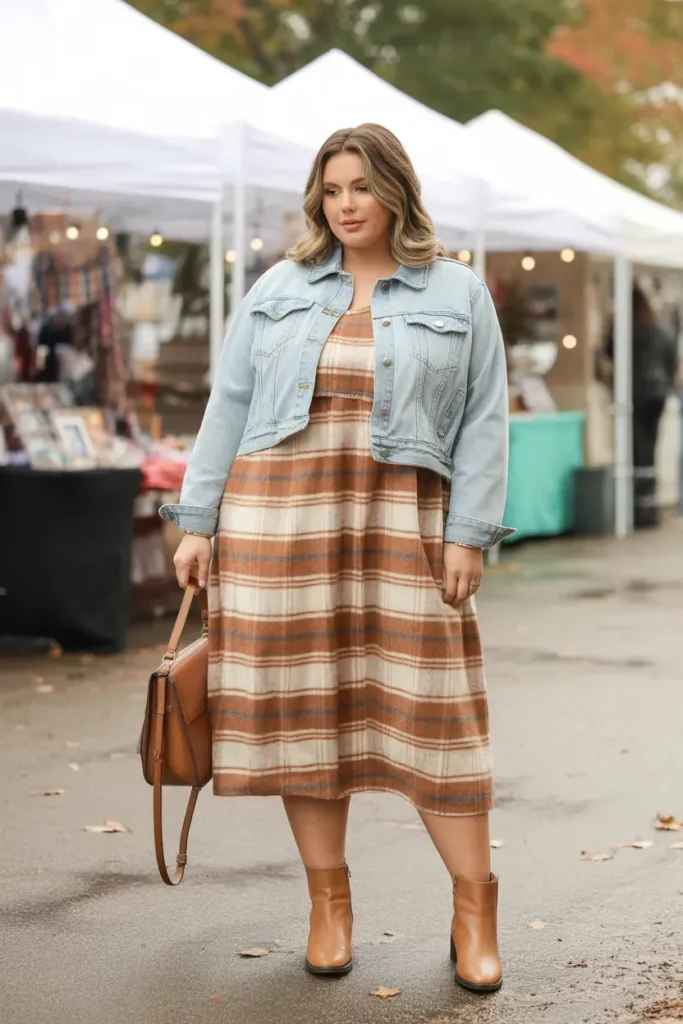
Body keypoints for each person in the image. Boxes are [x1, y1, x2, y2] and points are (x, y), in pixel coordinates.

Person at [160, 123, 514, 995]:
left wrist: (467, 532)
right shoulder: (280, 287)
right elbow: (230, 404)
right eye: (330, 189)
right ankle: (329, 905)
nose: (345, 204)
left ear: (395, 189)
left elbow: (483, 420)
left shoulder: (458, 293)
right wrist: (199, 520)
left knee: (439, 723)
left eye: (360, 186)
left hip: (403, 525)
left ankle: (473, 908)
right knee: (305, 721)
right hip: (280, 524)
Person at [604, 285, 678, 527]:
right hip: (657, 395)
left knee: (634, 450)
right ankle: (648, 507)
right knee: (650, 450)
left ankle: (635, 508)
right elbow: (671, 361)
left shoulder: (625, 331)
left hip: (634, 394)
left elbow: (608, 353)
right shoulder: (658, 329)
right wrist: (664, 384)